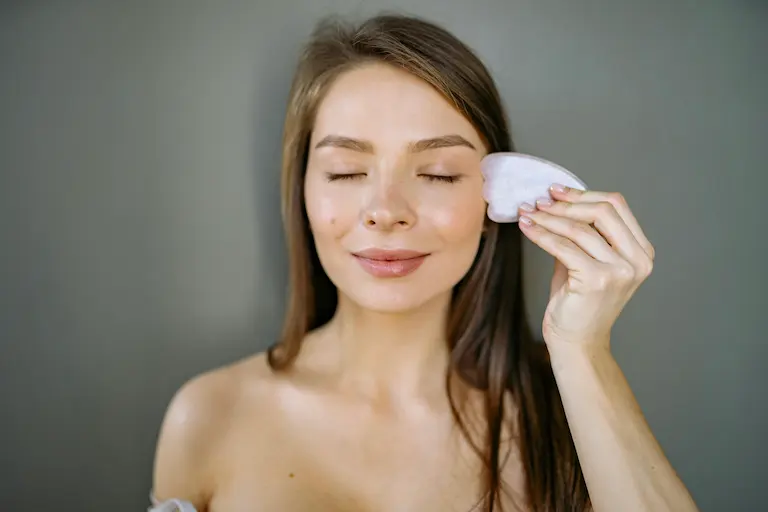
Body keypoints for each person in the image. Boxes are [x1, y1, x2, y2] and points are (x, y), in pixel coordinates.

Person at [150, 13, 698, 512]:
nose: (386, 212)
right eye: (345, 172)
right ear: (302, 194)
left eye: (438, 173)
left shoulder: (570, 419)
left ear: (496, 201)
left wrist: (582, 351)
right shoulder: (207, 417)